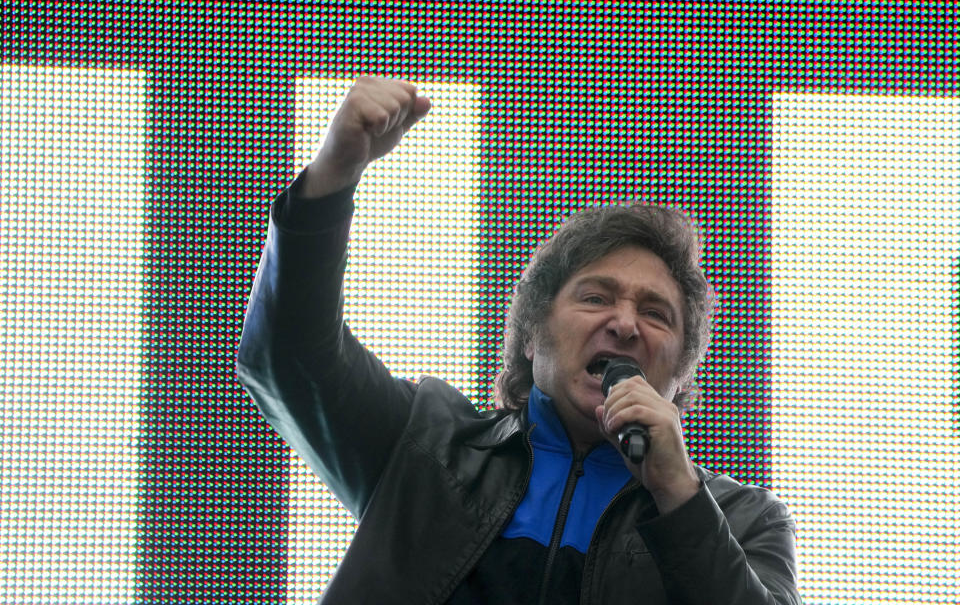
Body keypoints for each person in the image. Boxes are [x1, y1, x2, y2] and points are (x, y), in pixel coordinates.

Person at [237, 76, 801, 604]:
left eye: (656, 314)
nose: (626, 323)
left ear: (680, 372)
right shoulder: (425, 443)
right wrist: (334, 172)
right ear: (532, 335)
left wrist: (679, 495)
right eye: (596, 298)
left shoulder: (746, 520)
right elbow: (289, 357)